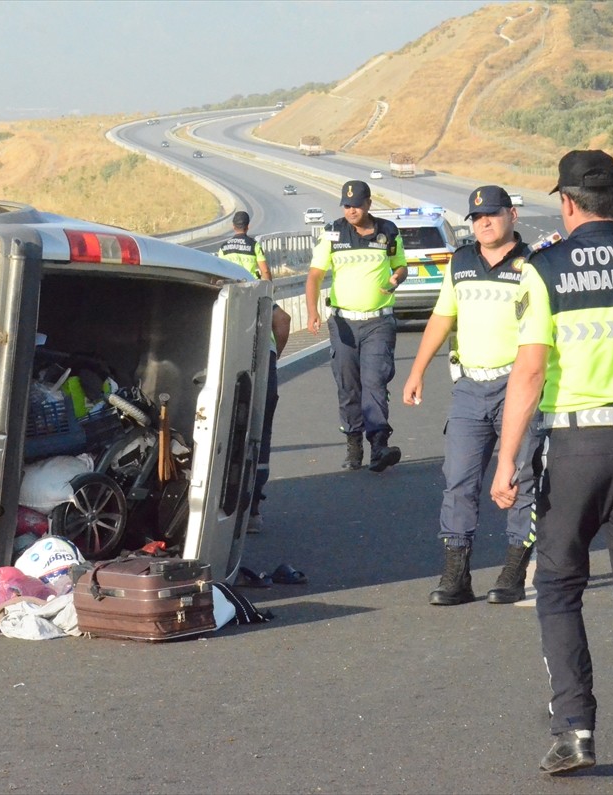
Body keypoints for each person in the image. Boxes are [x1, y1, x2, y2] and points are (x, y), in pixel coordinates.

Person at [489, 150, 613, 778]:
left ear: (568, 203)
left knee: (559, 588)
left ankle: (575, 732)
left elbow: (530, 371)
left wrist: (505, 462)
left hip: (574, 449)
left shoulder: (543, 268)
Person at [401, 186, 537, 606]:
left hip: (518, 385)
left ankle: (514, 569)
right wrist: (417, 370)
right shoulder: (460, 261)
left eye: (492, 215)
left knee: (521, 477)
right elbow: (443, 316)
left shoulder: (533, 264)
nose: (484, 223)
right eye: (477, 217)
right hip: (469, 388)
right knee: (458, 479)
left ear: (511, 215)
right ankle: (456, 576)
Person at [306, 180, 407, 472]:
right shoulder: (333, 233)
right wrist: (312, 310)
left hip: (379, 321)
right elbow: (314, 275)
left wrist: (396, 278)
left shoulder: (387, 231)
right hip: (343, 322)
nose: (351, 210)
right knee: (349, 385)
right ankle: (353, 443)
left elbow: (401, 266)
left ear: (369, 204)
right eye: (347, 205)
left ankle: (379, 445)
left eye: (357, 205)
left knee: (375, 381)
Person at [219, 210, 288, 532]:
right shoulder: (254, 251)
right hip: (265, 359)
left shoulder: (223, 252)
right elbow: (283, 321)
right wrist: (274, 354)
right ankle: (255, 509)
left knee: (228, 433)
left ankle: (222, 508)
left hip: (232, 361)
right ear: (248, 226)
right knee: (261, 435)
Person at [219, 210, 272, 281]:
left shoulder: (223, 248)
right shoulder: (254, 245)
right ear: (247, 227)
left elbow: (220, 270)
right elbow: (265, 271)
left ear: (234, 227)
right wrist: (270, 285)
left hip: (231, 285)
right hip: (251, 285)